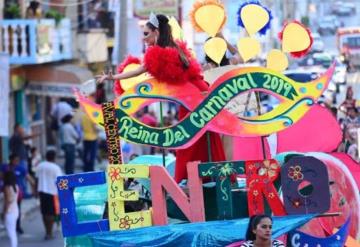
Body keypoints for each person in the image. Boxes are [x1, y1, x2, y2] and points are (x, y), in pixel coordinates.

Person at [97, 13, 226, 182]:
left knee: (190, 138)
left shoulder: (160, 53)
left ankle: (198, 179)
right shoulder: (173, 48)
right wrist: (113, 78)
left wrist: (113, 78)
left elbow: (139, 70)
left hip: (193, 97)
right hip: (192, 95)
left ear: (156, 32)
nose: (144, 39)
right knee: (195, 137)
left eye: (146, 34)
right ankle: (203, 179)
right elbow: (142, 72)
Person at [0, 154, 35, 234]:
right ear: (11, 160)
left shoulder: (21, 168)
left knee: (17, 209)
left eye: (18, 160)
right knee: (5, 208)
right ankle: (7, 224)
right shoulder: (4, 167)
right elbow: (1, 176)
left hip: (17, 192)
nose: (17, 162)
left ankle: (17, 226)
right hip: (6, 191)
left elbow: (29, 178)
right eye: (15, 160)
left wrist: (34, 188)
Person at [35, 150, 62, 240]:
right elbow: (59, 181)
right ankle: (49, 233)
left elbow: (37, 179)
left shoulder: (40, 166)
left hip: (42, 191)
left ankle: (47, 231)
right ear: (54, 157)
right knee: (51, 213)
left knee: (44, 212)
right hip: (52, 192)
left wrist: (35, 191)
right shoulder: (56, 168)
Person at [2, 171, 19, 247]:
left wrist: (4, 212)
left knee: (11, 233)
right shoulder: (16, 186)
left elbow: (8, 201)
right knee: (13, 232)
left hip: (10, 212)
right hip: (15, 210)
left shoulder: (7, 188)